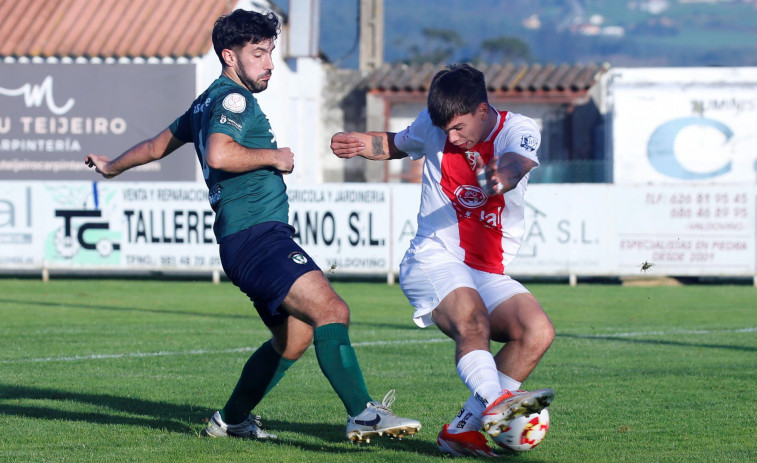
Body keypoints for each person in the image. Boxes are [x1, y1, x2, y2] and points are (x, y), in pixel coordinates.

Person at [84, 9, 420, 444]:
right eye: (258, 53)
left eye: (271, 52)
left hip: (242, 241)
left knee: (293, 338)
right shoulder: (232, 100)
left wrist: (112, 166)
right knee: (332, 311)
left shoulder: (205, 101)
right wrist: (274, 157)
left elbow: (154, 146)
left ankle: (231, 421)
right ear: (229, 56)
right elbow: (221, 155)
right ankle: (363, 413)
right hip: (259, 236)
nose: (269, 63)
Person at [330, 63, 555, 457]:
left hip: (484, 270)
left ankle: (461, 429)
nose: (451, 137)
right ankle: (496, 403)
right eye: (445, 129)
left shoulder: (519, 129)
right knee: (473, 321)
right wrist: (361, 144)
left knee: (535, 331)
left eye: (459, 128)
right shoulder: (433, 126)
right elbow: (398, 143)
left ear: (483, 112)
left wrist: (495, 180)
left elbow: (516, 166)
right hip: (431, 258)